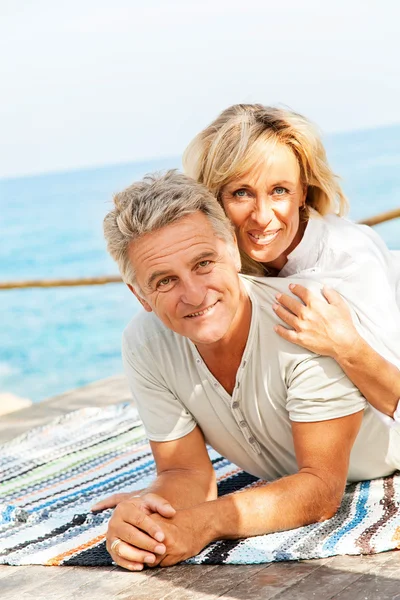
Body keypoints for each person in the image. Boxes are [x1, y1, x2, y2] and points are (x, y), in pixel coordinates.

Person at [94, 170, 400, 571]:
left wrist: (203, 524)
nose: (194, 294)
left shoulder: (301, 321)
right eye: (165, 281)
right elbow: (184, 470)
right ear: (140, 296)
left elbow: (321, 489)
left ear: (233, 254)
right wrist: (148, 519)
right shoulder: (146, 343)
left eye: (204, 264)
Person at [183, 104, 400, 424]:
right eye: (241, 192)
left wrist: (347, 347)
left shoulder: (346, 262)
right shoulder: (229, 260)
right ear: (216, 197)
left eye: (279, 191)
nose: (262, 216)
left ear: (303, 193)